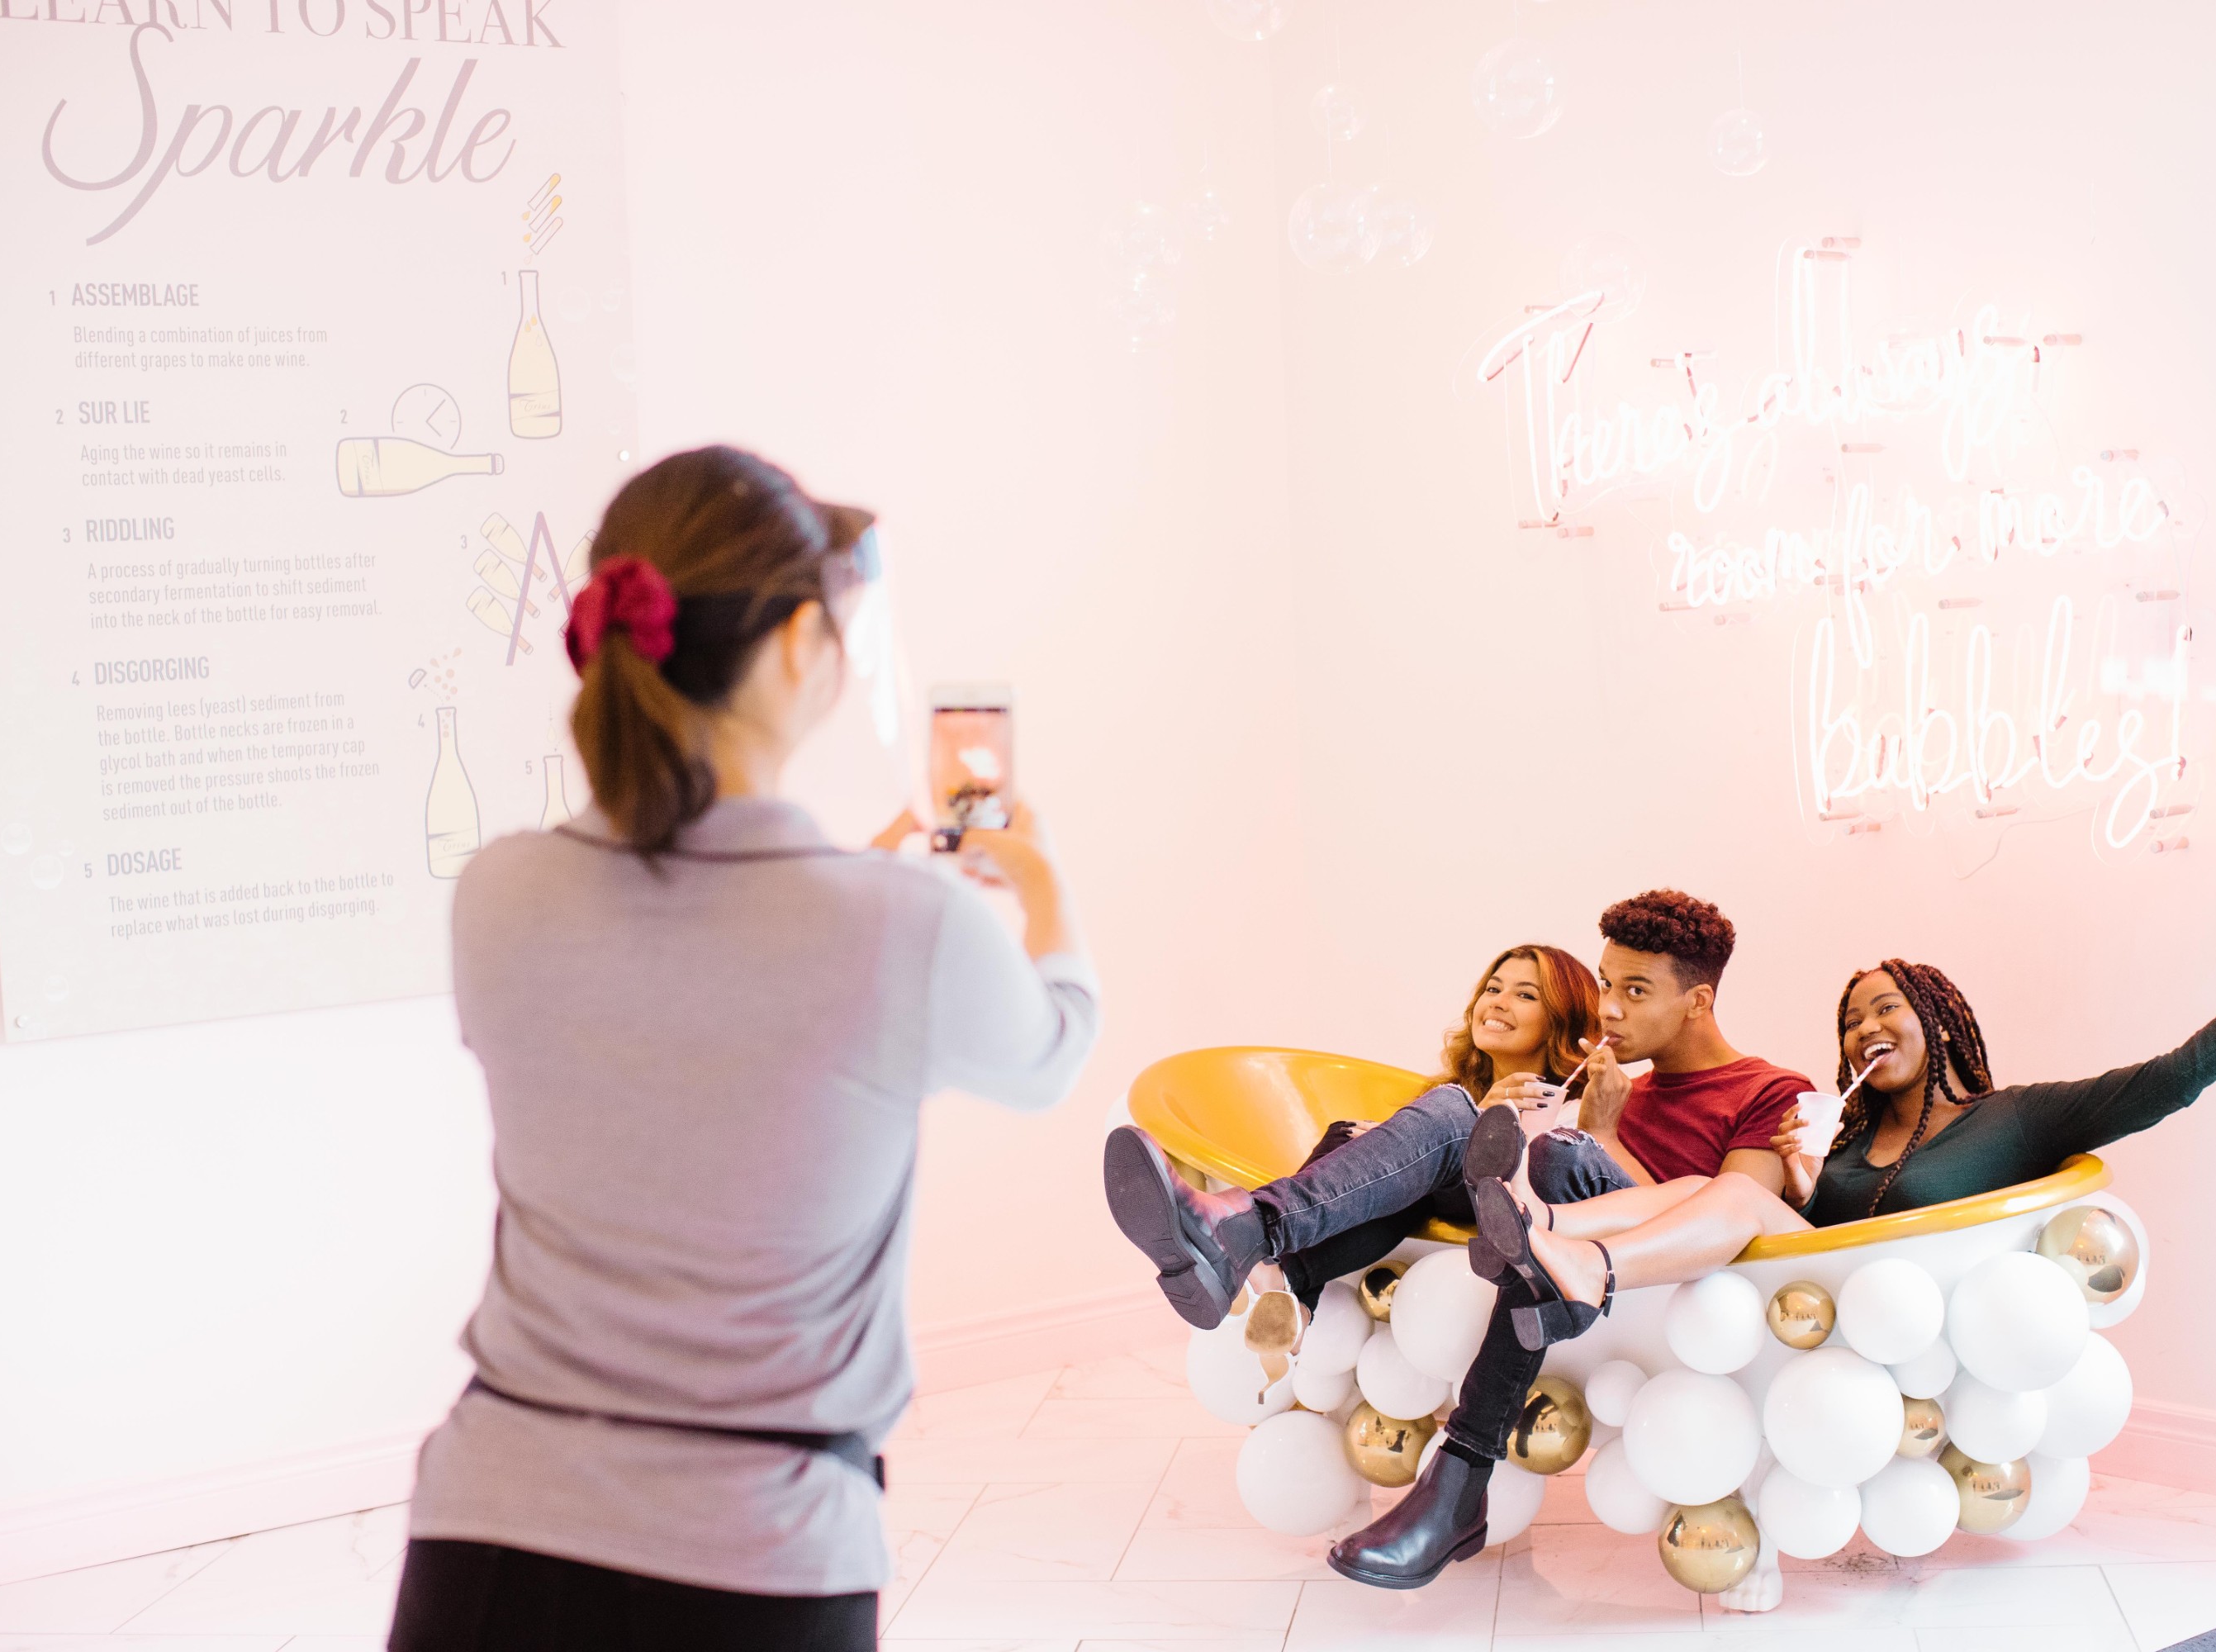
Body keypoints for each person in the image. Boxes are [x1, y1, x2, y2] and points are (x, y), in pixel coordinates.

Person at [387, 446, 1099, 1652]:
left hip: (486, 1540)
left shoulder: (499, 893)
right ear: (798, 645)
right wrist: (1044, 889)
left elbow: (685, 1001)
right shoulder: (902, 927)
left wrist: (847, 890)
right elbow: (1053, 1052)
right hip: (758, 1563)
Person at [1483, 885, 2216, 1338]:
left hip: (1911, 1324)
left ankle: (1586, 1259)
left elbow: (2175, 1077)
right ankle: (1541, 1228)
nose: (1866, 1028)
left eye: (1887, 1007)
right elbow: (1800, 1232)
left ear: (1940, 1019)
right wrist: (1804, 1182)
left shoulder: (2017, 1119)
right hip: (1814, 1308)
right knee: (1722, 1187)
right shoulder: (1842, 1136)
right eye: (1851, 1019)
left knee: (1730, 1190)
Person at [1324, 891, 1816, 1589]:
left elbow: (1737, 1222)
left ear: (1698, 1002)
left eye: (1635, 991)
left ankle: (1458, 1479)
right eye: (1606, 984)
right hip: (1561, 1304)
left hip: (1680, 1309)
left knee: (1557, 1157)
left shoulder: (1769, 1090)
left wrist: (1603, 1137)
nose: (1608, 1008)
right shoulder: (1615, 1088)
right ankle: (1279, 1260)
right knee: (1414, 1133)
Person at [1102, 942, 1601, 1351]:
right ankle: (1289, 1291)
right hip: (1438, 1193)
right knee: (1350, 1133)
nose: (1498, 1002)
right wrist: (1395, 1143)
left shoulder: (1577, 1101)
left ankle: (1256, 1244)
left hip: (1508, 1214)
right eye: (1493, 988)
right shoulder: (1454, 1092)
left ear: (1561, 1018)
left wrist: (1481, 1122)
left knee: (1447, 1113)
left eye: (1525, 995)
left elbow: (1555, 1176)